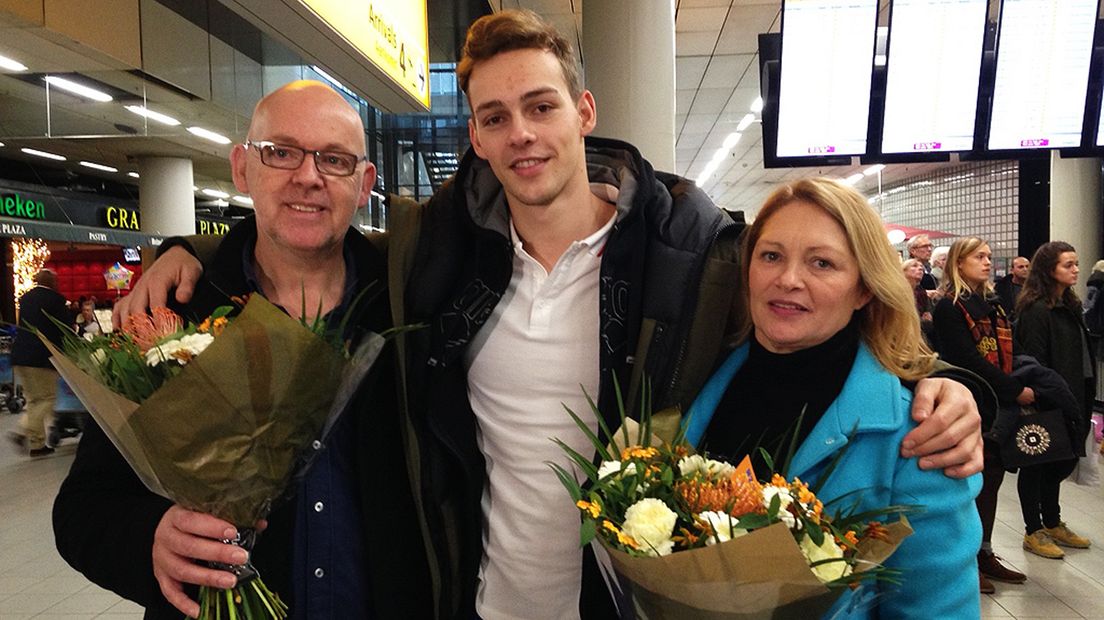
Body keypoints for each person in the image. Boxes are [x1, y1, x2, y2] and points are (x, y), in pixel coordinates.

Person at [117, 11, 986, 618]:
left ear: (584, 112)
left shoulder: (690, 257)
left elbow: (805, 326)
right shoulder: (437, 257)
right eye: (495, 117)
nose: (523, 133)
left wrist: (945, 388)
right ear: (479, 142)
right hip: (477, 595)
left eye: (540, 106)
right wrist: (189, 255)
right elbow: (310, 238)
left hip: (622, 603)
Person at [53, 81, 430, 619]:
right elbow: (83, 508)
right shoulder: (173, 312)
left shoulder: (405, 303)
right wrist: (150, 540)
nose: (308, 176)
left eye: (335, 159)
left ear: (365, 182)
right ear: (241, 168)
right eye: (280, 152)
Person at [684, 178, 981, 618]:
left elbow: (936, 606)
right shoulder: (695, 382)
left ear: (864, 288)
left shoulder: (919, 434)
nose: (788, 279)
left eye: (821, 263)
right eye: (771, 256)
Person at [931, 237, 1030, 593]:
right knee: (968, 486)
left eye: (989, 257)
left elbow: (1010, 350)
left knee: (992, 480)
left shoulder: (993, 305)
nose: (988, 262)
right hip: (970, 401)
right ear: (958, 263)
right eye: (979, 257)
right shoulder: (950, 306)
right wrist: (1013, 388)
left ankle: (984, 551)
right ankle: (964, 559)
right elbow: (964, 359)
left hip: (996, 405)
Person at [1014, 241, 1094, 559]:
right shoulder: (1036, 309)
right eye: (1068, 265)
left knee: (1062, 460)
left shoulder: (1068, 304)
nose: (1075, 269)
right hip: (1051, 400)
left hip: (1075, 394)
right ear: (1050, 270)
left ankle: (1052, 520)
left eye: (1076, 264)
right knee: (1038, 464)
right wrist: (1049, 398)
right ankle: (1033, 530)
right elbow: (1035, 361)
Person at [7, 269, 69, 458]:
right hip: (41, 358)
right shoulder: (56, 300)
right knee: (47, 398)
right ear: (53, 282)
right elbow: (64, 328)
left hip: (20, 356)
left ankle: (37, 445)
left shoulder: (25, 299)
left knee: (34, 399)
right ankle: (22, 430)